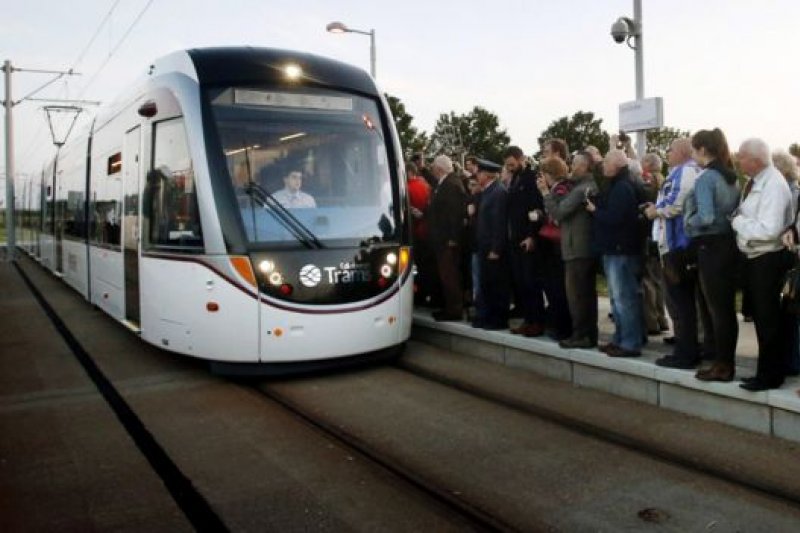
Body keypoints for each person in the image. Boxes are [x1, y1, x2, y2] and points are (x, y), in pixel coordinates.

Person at [732, 139, 795, 391]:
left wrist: (737, 224)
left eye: (742, 157)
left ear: (755, 160)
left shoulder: (773, 185)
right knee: (762, 319)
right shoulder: (758, 181)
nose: (739, 161)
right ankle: (766, 372)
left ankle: (770, 376)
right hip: (756, 258)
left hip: (767, 260)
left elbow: (769, 230)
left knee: (768, 321)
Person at [683, 128, 741, 382]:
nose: (693, 155)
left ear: (703, 150)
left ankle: (722, 365)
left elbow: (705, 217)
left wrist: (688, 221)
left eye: (694, 150)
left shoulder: (706, 178)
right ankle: (725, 362)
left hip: (710, 247)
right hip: (729, 244)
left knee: (717, 310)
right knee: (726, 310)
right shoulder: (731, 176)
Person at [645, 139, 703, 368]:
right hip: (672, 245)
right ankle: (684, 349)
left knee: (682, 303)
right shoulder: (682, 171)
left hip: (678, 246)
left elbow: (676, 204)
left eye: (669, 149)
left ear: (681, 152)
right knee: (679, 303)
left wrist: (654, 211)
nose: (667, 153)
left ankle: (687, 353)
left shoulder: (686, 171)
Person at [586, 149, 644, 357]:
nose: (603, 166)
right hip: (616, 249)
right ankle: (620, 339)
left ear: (618, 164)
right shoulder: (619, 184)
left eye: (607, 162)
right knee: (617, 298)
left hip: (621, 250)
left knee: (624, 298)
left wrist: (595, 211)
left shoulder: (623, 187)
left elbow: (616, 218)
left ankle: (629, 342)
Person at [542, 152, 598, 347]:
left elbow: (558, 212)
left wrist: (545, 194)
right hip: (578, 247)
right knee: (583, 294)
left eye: (574, 164)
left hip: (578, 249)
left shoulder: (582, 189)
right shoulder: (580, 187)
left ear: (584, 166)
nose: (570, 168)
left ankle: (582, 335)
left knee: (578, 295)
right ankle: (585, 334)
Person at [504, 145, 547, 336]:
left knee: (531, 282)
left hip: (527, 239)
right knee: (521, 283)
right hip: (515, 239)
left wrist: (532, 235)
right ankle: (528, 319)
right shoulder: (514, 179)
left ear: (521, 159)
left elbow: (536, 209)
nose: (510, 168)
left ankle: (536, 321)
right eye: (507, 165)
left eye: (512, 164)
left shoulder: (530, 179)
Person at [426, 155, 468, 321]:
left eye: (434, 168)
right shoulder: (447, 182)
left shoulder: (450, 184)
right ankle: (449, 307)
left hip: (447, 240)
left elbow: (454, 214)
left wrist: (453, 237)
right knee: (446, 274)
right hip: (442, 238)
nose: (433, 171)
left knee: (450, 275)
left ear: (439, 169)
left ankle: (454, 310)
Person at [473, 158, 510, 330]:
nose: (476, 175)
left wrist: (496, 248)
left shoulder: (498, 192)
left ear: (487, 174)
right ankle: (486, 316)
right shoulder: (488, 191)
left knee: (496, 285)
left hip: (493, 248)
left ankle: (498, 319)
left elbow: (499, 223)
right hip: (484, 246)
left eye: (479, 172)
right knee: (486, 283)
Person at [406, 162, 435, 306]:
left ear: (409, 172)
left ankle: (420, 295)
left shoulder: (407, 188)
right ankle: (429, 293)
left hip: (417, 232)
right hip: (428, 230)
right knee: (427, 267)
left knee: (419, 267)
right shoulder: (424, 185)